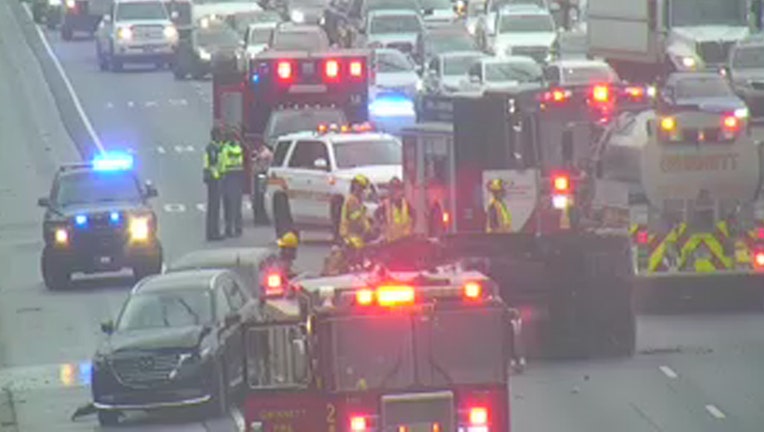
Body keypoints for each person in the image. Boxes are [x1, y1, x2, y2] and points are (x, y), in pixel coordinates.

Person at [220, 128, 245, 237]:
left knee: (228, 204)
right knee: (237, 204)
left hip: (227, 176)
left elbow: (222, 163)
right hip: (238, 175)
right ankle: (238, 228)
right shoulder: (238, 148)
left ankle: (228, 228)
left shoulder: (225, 149)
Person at [375, 177, 415, 243]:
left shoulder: (406, 204)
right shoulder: (386, 204)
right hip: (391, 242)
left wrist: (411, 228)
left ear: (401, 190)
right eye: (392, 189)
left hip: (405, 241)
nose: (394, 191)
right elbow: (376, 214)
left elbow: (414, 215)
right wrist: (381, 228)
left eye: (397, 188)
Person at [339, 174, 373, 248]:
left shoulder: (357, 200)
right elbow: (355, 219)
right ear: (355, 186)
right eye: (361, 187)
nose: (362, 190)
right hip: (350, 236)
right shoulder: (352, 200)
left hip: (356, 235)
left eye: (363, 188)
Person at [203, 125, 225, 241]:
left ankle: (213, 232)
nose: (221, 137)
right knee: (213, 207)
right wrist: (217, 177)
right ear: (215, 136)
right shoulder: (212, 148)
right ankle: (212, 233)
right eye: (219, 135)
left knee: (215, 207)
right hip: (213, 180)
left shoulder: (216, 147)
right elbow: (211, 166)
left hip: (214, 179)